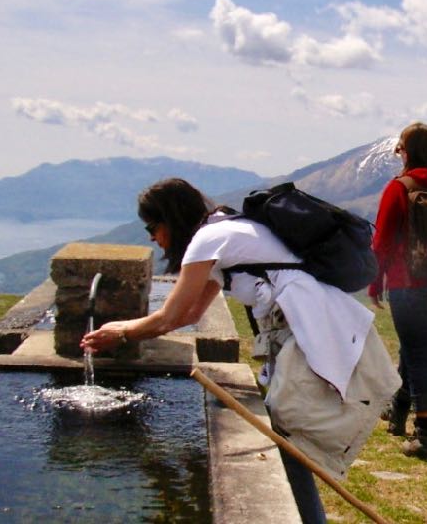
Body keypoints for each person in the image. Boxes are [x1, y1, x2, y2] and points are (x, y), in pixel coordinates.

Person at [82, 178, 398, 524]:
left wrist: (121, 331)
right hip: (310, 328)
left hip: (313, 332)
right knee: (290, 439)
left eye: (152, 226)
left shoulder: (208, 239)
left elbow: (170, 316)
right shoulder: (225, 230)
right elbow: (190, 314)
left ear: (169, 219)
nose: (150, 237)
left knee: (290, 439)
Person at [368, 121, 427, 462]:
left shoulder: (399, 188)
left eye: (400, 150)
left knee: (419, 354)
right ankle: (398, 409)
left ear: (405, 152)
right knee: (416, 345)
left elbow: (381, 241)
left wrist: (374, 280)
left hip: (410, 286)